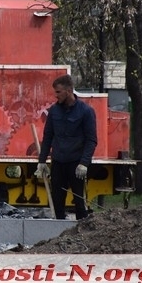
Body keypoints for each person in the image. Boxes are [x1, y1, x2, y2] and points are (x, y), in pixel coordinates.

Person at [35, 74, 97, 220]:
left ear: (68, 91)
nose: (56, 96)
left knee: (79, 201)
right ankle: (59, 232)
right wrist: (42, 161)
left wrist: (84, 163)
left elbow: (91, 140)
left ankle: (83, 230)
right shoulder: (54, 111)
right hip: (58, 162)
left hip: (76, 164)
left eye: (58, 92)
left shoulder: (86, 111)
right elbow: (48, 136)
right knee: (57, 199)